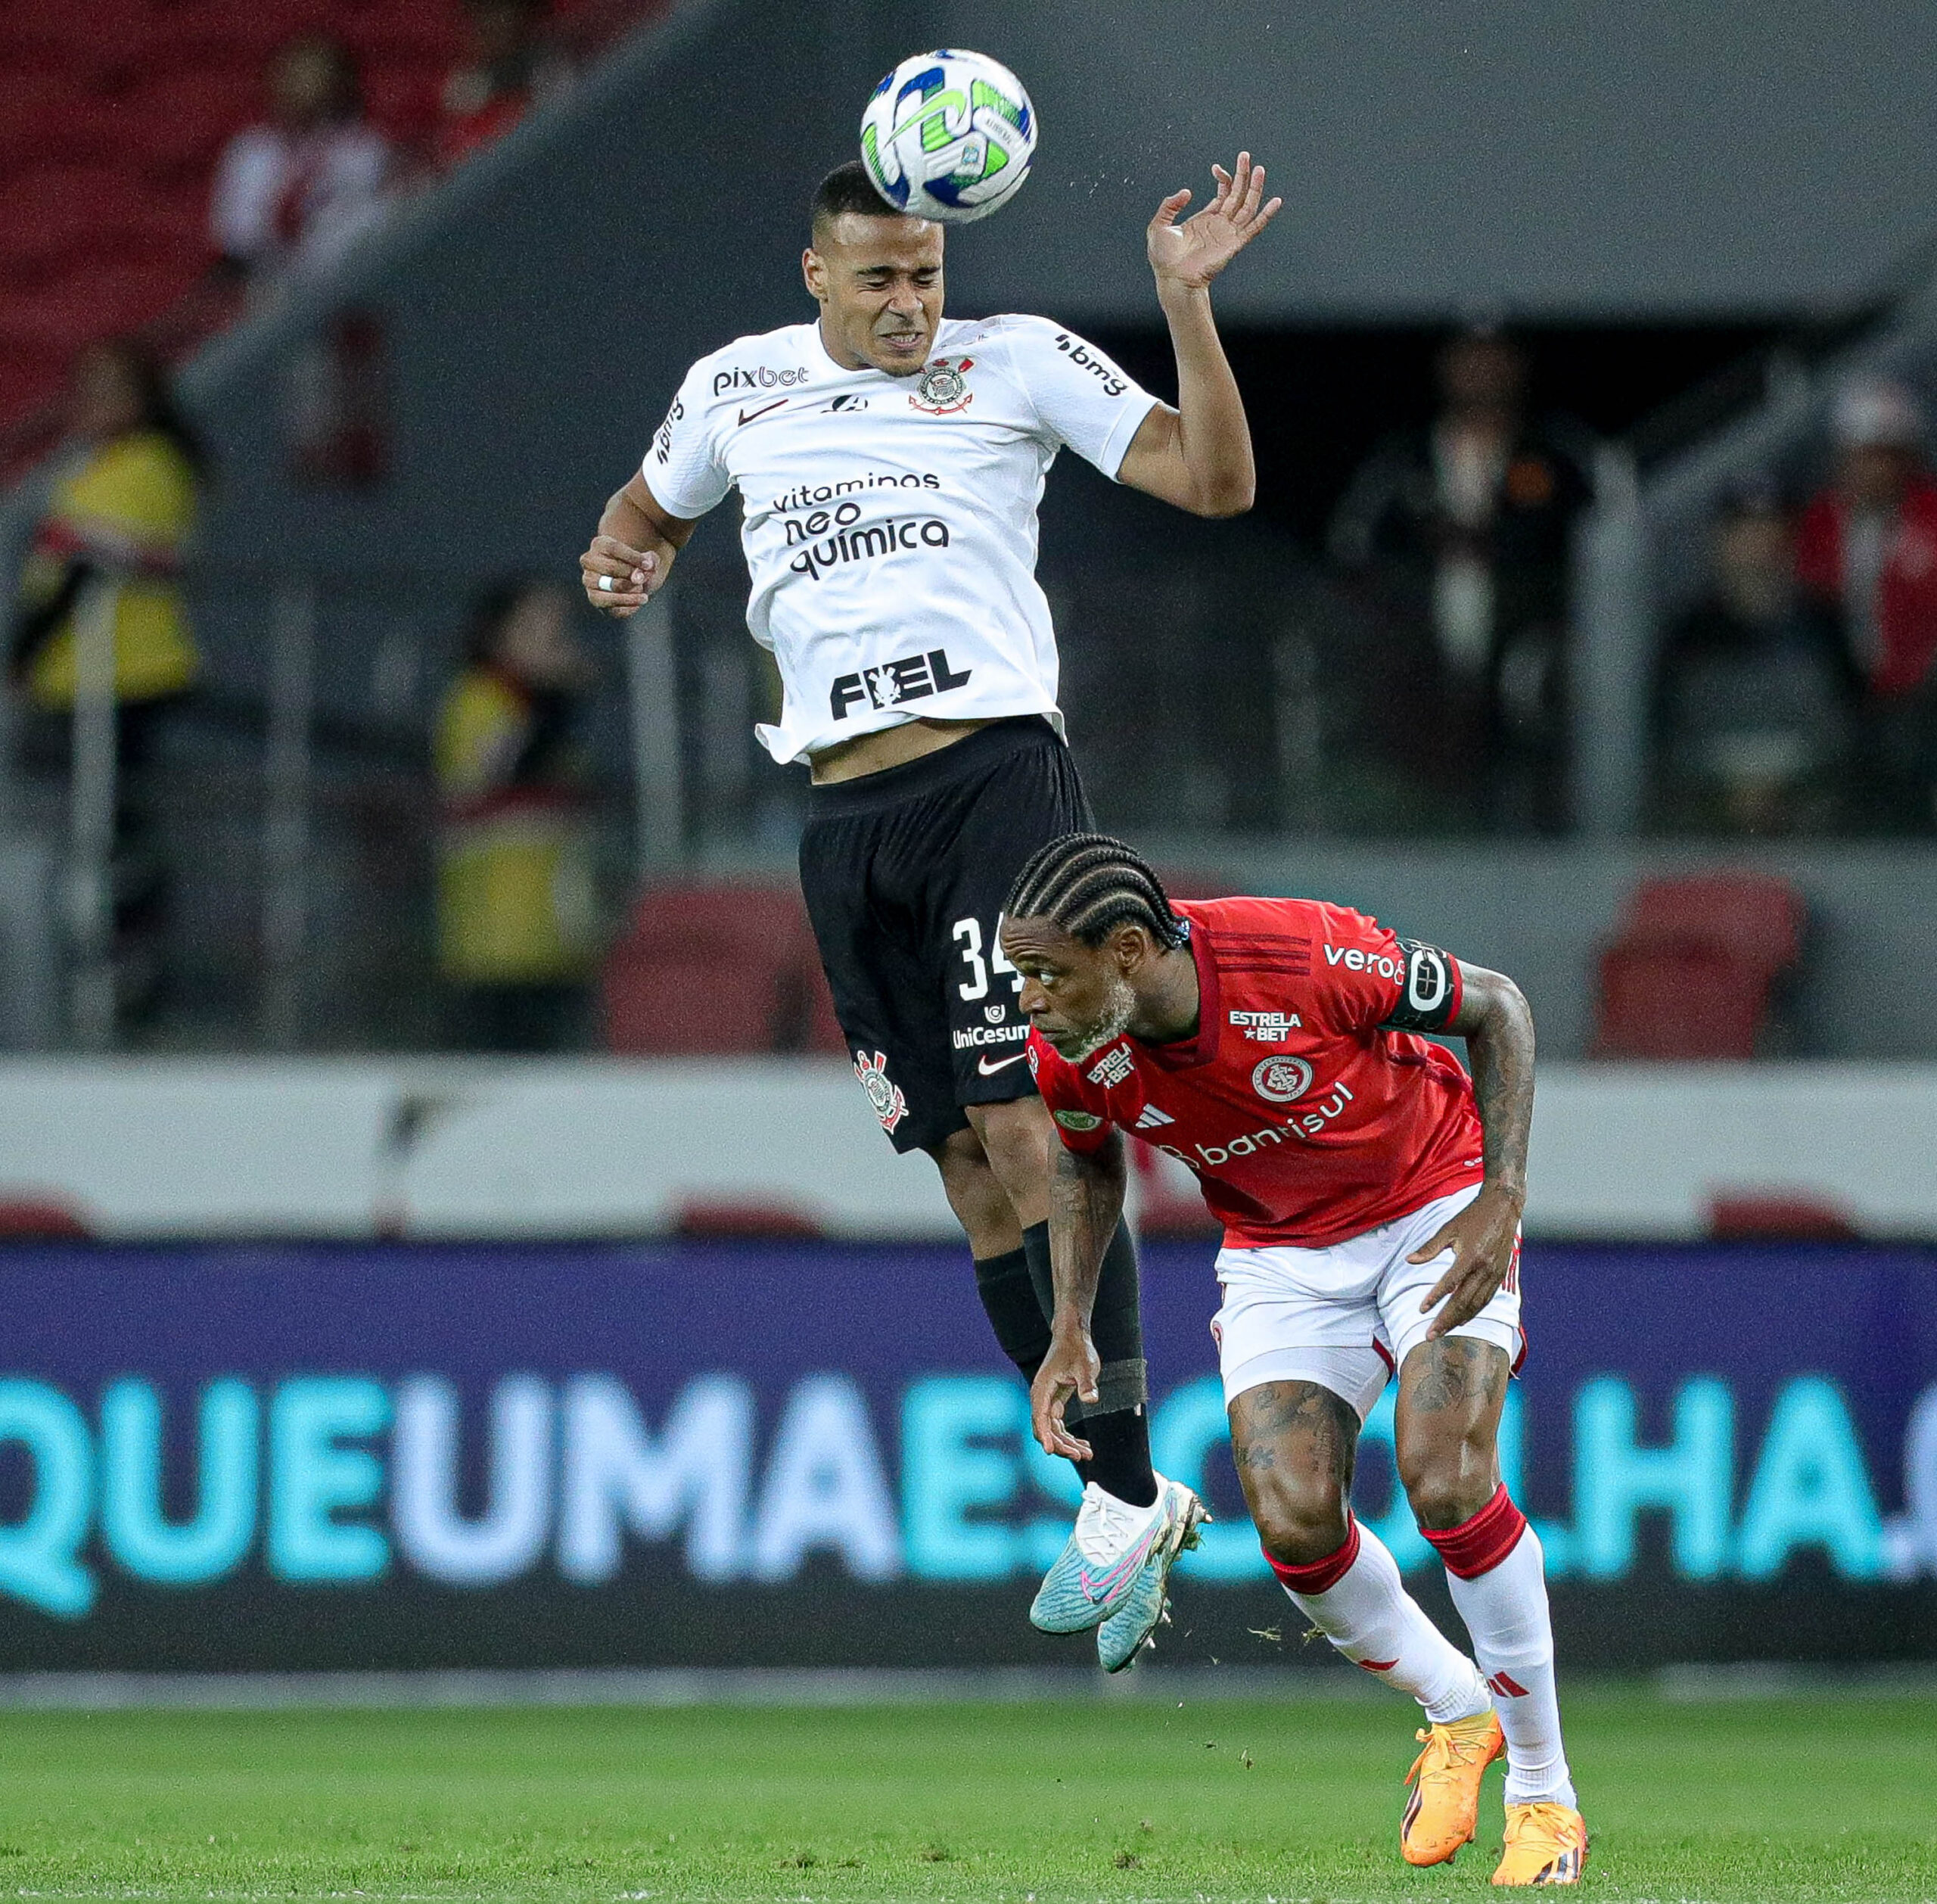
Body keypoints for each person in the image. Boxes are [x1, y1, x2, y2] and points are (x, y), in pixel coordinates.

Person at [578, 154, 1281, 1667]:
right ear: (817, 274)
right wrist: (624, 558)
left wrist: (1184, 306)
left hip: (995, 780)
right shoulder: (733, 389)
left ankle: (1114, 1470)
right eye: (880, 279)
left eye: (927, 277)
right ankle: (1125, 1490)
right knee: (963, 1171)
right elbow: (645, 512)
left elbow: (1215, 484)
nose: (911, 305)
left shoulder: (1015, 361)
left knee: (1028, 1114)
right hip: (841, 819)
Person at [1005, 833, 1585, 1887]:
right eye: (1022, 976)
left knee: (1447, 1481)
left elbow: (1497, 1005)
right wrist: (1070, 1326)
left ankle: (1545, 1794)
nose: (1031, 1000)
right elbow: (1086, 1165)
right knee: (1291, 1518)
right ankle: (1457, 1711)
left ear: (1128, 949)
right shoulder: (1077, 1047)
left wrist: (1504, 1195)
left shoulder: (1300, 955)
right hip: (1280, 1251)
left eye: (1049, 973)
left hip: (1434, 1203)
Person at [1329, 329, 1594, 832]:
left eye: (1496, 357)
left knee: (1524, 799)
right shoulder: (1404, 463)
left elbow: (1600, 552)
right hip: (1421, 682)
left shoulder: (1557, 457)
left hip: (1530, 679)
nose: (1482, 371)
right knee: (1419, 806)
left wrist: (1505, 551)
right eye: (1468, 357)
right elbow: (1355, 559)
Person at [10, 339, 204, 1020]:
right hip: (82, 675)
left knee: (121, 824)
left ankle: (131, 980)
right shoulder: (102, 461)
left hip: (129, 670)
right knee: (99, 824)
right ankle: (104, 968)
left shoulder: (152, 464)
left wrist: (21, 652)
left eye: (112, 388)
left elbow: (84, 569)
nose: (95, 404)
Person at [437, 577, 600, 1052]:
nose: (556, 642)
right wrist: (557, 699)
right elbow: (511, 766)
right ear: (499, 634)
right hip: (493, 945)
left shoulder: (544, 713)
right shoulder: (477, 701)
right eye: (538, 628)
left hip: (556, 942)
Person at [1651, 486, 1854, 834]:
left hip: (1813, 810)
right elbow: (1668, 739)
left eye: (1771, 529)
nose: (1759, 544)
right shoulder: (1688, 634)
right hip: (1706, 811)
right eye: (1744, 530)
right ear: (1720, 543)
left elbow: (1847, 732)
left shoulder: (1824, 625)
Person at [1795, 379, 1937, 828]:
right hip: (1843, 695)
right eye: (1862, 454)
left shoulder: (1931, 517)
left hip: (1920, 699)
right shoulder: (1820, 521)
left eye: (1885, 455)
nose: (1872, 469)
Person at [210, 34, 392, 289]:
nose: (300, 86)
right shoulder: (252, 151)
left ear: (339, 83)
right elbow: (239, 237)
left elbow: (377, 223)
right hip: (272, 289)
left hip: (354, 278)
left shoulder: (365, 149)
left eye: (311, 75)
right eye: (292, 76)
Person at [437, 0, 574, 171]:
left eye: (498, 13)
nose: (490, 25)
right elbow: (465, 158)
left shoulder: (551, 64)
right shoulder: (466, 89)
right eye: (481, 17)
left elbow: (565, 126)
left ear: (519, 14)